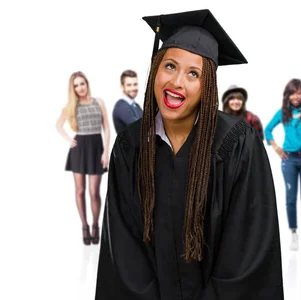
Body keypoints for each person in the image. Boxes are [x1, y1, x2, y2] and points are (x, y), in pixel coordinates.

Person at [94, 9, 284, 299]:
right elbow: (123, 250)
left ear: (207, 86)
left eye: (193, 73)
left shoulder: (236, 143)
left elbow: (248, 249)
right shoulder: (130, 146)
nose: (177, 82)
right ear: (155, 69)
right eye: (170, 66)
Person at [265, 78, 301, 251]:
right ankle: (294, 233)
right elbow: (267, 130)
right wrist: (276, 148)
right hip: (289, 160)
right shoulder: (283, 113)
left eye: (298, 92)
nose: (295, 96)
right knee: (290, 198)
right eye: (292, 93)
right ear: (287, 96)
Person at [55, 71, 110, 246]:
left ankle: (95, 225)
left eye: (82, 83)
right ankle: (84, 226)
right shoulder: (71, 106)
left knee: (94, 192)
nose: (80, 88)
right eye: (76, 85)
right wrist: (69, 139)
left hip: (96, 147)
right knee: (79, 191)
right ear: (73, 88)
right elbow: (58, 124)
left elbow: (106, 128)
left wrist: (106, 152)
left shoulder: (98, 102)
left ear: (87, 83)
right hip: (79, 150)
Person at [112, 69, 142, 134]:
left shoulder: (136, 106)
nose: (133, 88)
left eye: (135, 84)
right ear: (122, 87)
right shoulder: (121, 107)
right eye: (129, 85)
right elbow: (141, 129)